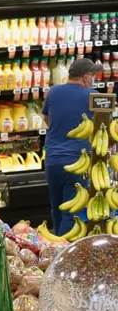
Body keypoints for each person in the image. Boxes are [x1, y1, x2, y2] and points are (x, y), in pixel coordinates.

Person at [46, 56, 100, 236]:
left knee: (57, 207)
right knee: (71, 212)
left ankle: (53, 246)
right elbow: (104, 130)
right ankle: (63, 255)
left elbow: (47, 118)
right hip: (77, 160)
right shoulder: (93, 96)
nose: (94, 80)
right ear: (86, 77)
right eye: (93, 76)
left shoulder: (53, 92)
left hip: (52, 159)